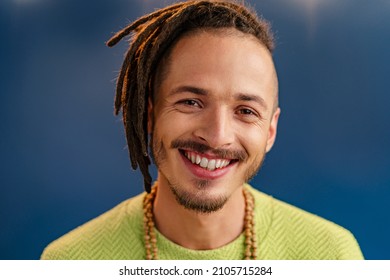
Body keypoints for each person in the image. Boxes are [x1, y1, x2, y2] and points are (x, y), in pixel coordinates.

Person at [41, 0, 363, 260]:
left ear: (270, 132)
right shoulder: (71, 262)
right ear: (149, 114)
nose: (217, 135)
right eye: (192, 102)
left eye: (246, 111)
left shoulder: (332, 257)